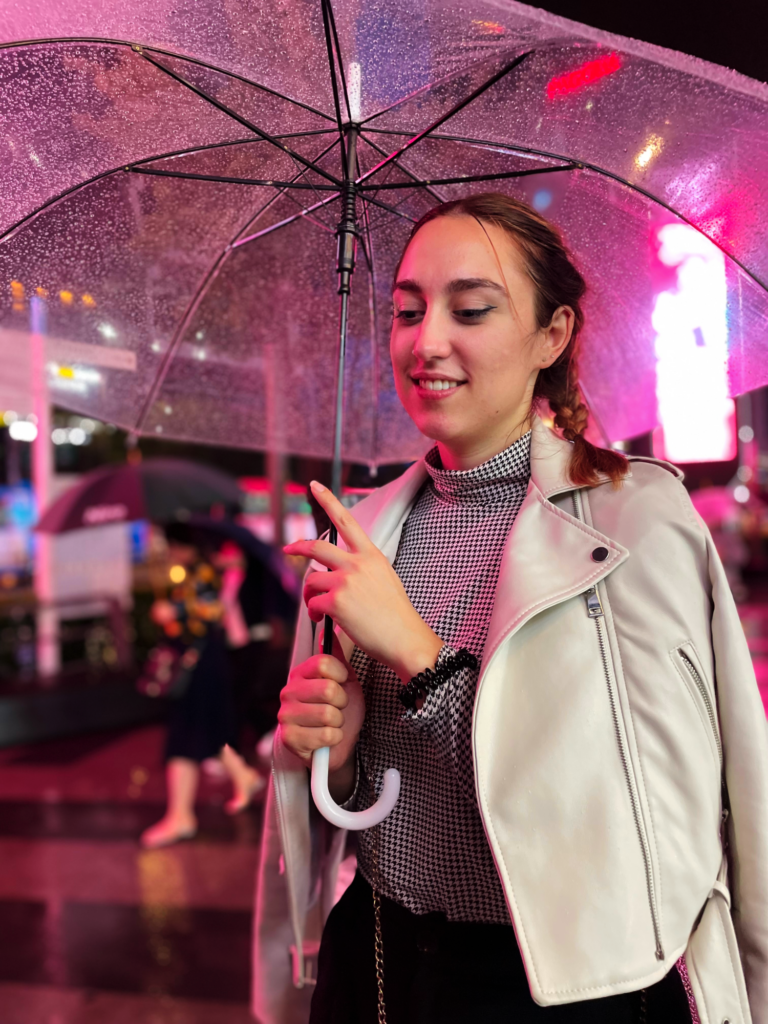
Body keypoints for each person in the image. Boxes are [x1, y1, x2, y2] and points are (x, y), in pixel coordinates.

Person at [253, 194, 768, 1024]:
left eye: (472, 309)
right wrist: (330, 752)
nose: (427, 342)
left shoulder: (635, 518)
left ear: (551, 335)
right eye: (408, 312)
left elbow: (625, 815)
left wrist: (420, 656)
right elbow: (364, 802)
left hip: (562, 980)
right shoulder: (366, 526)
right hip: (378, 961)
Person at [140, 528, 263, 849]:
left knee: (185, 734)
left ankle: (180, 816)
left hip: (200, 663)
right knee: (209, 728)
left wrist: (175, 611)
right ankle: (242, 777)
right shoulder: (195, 572)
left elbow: (212, 610)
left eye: (173, 545)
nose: (170, 552)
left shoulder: (205, 571)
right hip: (204, 661)